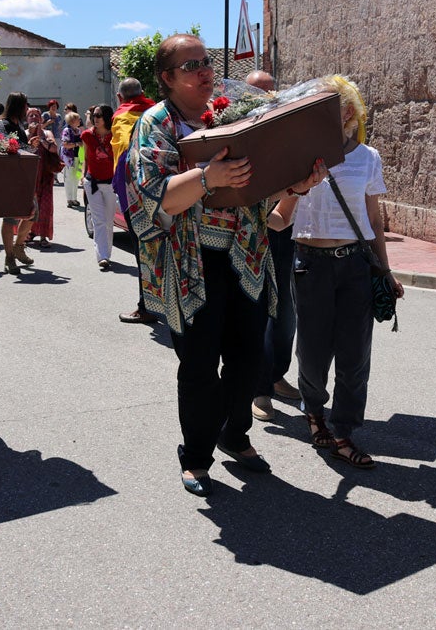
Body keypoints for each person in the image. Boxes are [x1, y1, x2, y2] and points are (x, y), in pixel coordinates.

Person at [126, 33, 326, 496]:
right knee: (199, 364)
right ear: (166, 78)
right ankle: (196, 457)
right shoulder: (157, 123)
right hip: (190, 262)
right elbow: (154, 198)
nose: (203, 71)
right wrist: (207, 176)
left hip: (247, 256)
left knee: (247, 357)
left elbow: (261, 187)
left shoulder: (232, 114)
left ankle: (235, 436)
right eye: (190, 65)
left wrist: (294, 185)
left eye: (206, 61)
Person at [268, 75, 404, 469]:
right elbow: (277, 223)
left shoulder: (368, 158)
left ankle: (343, 430)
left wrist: (385, 269)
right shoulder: (297, 156)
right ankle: (314, 413)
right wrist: (296, 190)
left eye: (327, 107)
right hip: (310, 263)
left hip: (357, 265)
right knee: (312, 350)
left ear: (348, 112)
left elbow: (374, 220)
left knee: (355, 354)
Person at [245, 70, 301, 420]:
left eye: (271, 91)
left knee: (285, 315)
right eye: (259, 92)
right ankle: (258, 389)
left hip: (283, 231)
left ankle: (276, 374)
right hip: (250, 233)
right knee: (259, 313)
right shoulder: (242, 133)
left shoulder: (287, 133)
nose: (267, 97)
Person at [110, 77, 157, 323]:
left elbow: (121, 153)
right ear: (143, 93)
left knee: (142, 250)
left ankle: (146, 306)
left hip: (133, 189)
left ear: (120, 98)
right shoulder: (157, 111)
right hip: (163, 187)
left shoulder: (120, 116)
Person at [0, 92, 36, 274]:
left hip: (23, 178)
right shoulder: (3, 125)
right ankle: (9, 256)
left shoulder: (17, 125)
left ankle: (19, 246)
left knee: (32, 214)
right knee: (10, 219)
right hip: (8, 179)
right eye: (25, 106)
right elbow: (0, 150)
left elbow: (20, 149)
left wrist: (30, 146)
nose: (27, 109)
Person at [81, 104, 118, 270]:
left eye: (99, 115)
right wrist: (83, 176)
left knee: (109, 221)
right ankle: (102, 256)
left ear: (107, 118)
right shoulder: (87, 135)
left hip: (110, 183)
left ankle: (106, 253)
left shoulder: (115, 135)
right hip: (92, 182)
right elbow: (86, 157)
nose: (95, 118)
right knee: (99, 220)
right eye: (94, 115)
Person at [27, 106, 58, 247]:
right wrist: (30, 135)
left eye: (36, 115)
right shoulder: (23, 132)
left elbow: (54, 148)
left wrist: (41, 138)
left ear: (41, 118)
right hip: (29, 176)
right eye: (31, 115)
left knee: (44, 206)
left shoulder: (47, 132)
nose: (33, 117)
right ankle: (29, 233)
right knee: (29, 206)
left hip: (45, 174)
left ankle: (43, 236)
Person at [61, 111, 83, 207]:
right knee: (69, 178)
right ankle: (69, 199)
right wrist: (77, 144)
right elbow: (65, 145)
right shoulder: (67, 130)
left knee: (76, 178)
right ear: (73, 120)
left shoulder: (78, 130)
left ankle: (74, 198)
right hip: (69, 158)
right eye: (78, 119)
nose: (79, 120)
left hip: (78, 156)